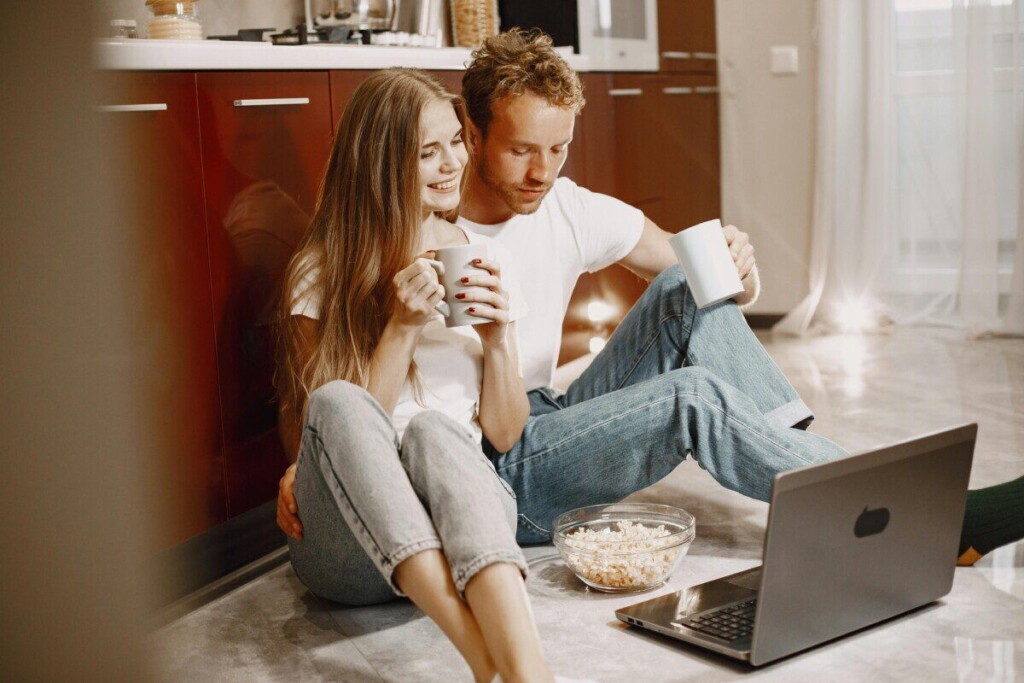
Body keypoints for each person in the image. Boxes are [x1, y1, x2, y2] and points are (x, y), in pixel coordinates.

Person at [279, 32, 1023, 570]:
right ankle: (911, 511)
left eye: (560, 148)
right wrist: (301, 468)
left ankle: (805, 456)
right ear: (471, 132)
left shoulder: (562, 205)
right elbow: (334, 399)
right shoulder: (415, 229)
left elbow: (696, 273)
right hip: (486, 465)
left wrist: (741, 269)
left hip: (539, 412)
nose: (542, 173)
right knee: (689, 397)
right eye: (518, 150)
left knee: (681, 288)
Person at [276, 67, 561, 683]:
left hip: (456, 525)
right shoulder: (321, 270)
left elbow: (506, 436)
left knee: (435, 430)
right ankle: (480, 656)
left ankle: (528, 674)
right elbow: (329, 436)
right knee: (336, 398)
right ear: (380, 165)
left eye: (455, 142)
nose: (451, 163)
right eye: (427, 152)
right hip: (348, 550)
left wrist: (497, 336)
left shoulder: (482, 259)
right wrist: (401, 329)